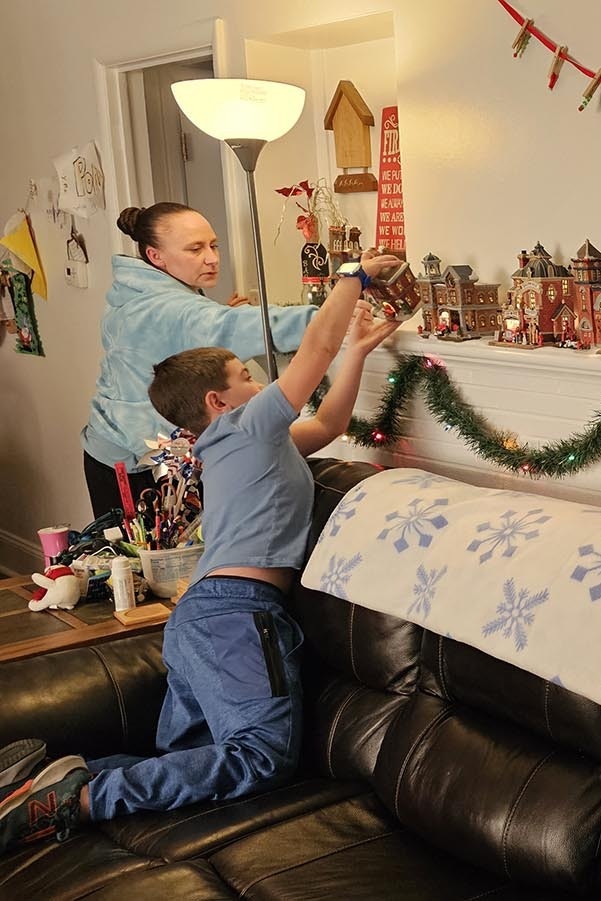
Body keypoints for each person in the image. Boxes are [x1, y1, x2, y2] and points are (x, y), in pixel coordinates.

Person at [0, 249, 401, 853]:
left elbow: (330, 425)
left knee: (191, 756)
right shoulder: (246, 427)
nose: (259, 383)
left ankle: (57, 776)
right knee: (259, 757)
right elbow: (312, 351)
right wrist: (353, 278)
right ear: (219, 401)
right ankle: (77, 800)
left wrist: (360, 352)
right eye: (245, 377)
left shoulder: (238, 440)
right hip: (237, 613)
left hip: (206, 613)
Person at [82, 204, 321, 519]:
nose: (212, 258)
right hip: (135, 463)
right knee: (150, 561)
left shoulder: (135, 292)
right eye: (195, 249)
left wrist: (213, 318)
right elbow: (248, 327)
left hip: (111, 448)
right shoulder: (168, 308)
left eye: (213, 245)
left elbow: (176, 339)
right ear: (155, 256)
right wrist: (340, 308)